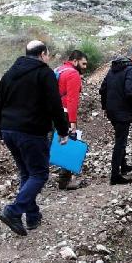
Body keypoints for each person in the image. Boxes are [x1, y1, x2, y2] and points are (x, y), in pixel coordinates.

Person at [0, 40, 69, 237]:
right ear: (42, 54)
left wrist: (0, 128)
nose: (49, 57)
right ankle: (13, 211)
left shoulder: (9, 74)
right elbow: (55, 105)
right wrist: (63, 130)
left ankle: (33, 216)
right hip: (31, 132)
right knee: (39, 174)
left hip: (9, 130)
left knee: (27, 173)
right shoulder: (44, 73)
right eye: (48, 54)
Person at [99, 45, 132, 185]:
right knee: (120, 142)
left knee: (120, 137)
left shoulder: (113, 68)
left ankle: (123, 165)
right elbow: (130, 92)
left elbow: (102, 89)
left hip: (112, 111)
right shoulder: (131, 69)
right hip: (123, 112)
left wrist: (105, 107)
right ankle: (115, 175)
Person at [56, 50, 88, 190]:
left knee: (51, 144)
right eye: (83, 63)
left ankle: (35, 176)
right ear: (75, 61)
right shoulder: (73, 74)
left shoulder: (58, 69)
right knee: (70, 143)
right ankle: (65, 180)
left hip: (51, 113)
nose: (85, 67)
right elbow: (72, 100)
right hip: (65, 114)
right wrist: (73, 121)